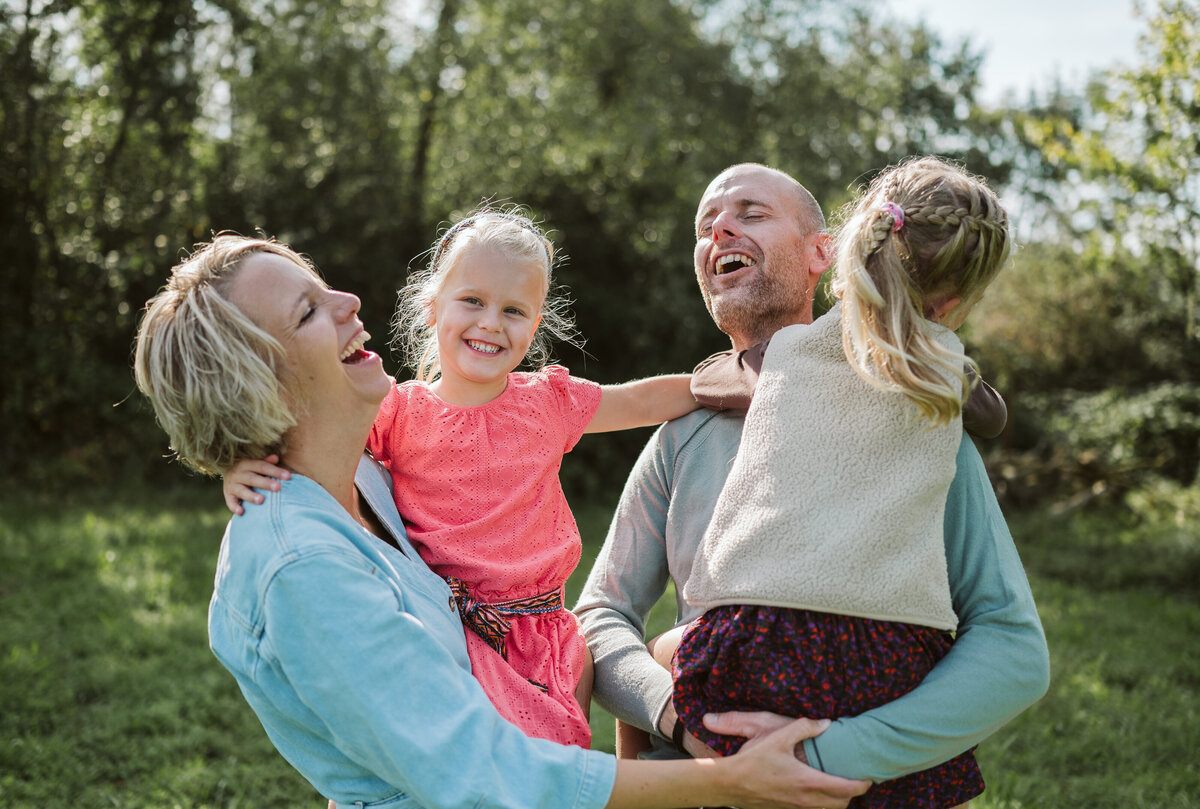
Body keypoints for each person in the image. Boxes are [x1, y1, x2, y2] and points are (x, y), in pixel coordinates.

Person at [134, 234, 870, 809]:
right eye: (307, 310)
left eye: (325, 286)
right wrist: (732, 779)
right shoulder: (301, 568)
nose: (350, 300)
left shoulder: (365, 476)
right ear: (255, 380)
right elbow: (489, 778)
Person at [574, 163, 1049, 784]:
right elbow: (599, 617)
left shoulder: (923, 421)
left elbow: (1010, 646)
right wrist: (680, 720)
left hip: (851, 774)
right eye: (705, 224)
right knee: (671, 653)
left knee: (676, 646)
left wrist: (824, 754)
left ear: (828, 253)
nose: (719, 229)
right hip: (706, 761)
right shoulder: (682, 436)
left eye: (750, 213)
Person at [223, 209, 700, 748]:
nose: (491, 322)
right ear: (432, 308)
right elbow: (315, 436)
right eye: (472, 300)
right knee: (457, 770)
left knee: (552, 777)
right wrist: (244, 460)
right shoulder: (397, 411)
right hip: (446, 629)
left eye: (514, 310)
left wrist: (724, 381)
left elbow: (638, 400)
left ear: (535, 326)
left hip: (543, 634)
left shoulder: (547, 402)